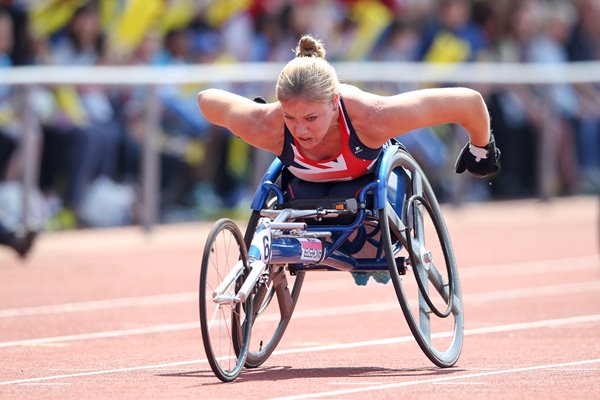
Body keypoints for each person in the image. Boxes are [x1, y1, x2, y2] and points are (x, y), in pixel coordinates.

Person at [197, 34, 500, 284]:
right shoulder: (268, 125)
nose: (300, 129)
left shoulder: (373, 118)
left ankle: (374, 249)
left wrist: (481, 150)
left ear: (334, 103)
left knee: (373, 249)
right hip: (305, 193)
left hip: (370, 187)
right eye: (290, 117)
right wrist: (250, 117)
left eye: (311, 117)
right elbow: (207, 100)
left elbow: (468, 103)